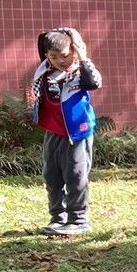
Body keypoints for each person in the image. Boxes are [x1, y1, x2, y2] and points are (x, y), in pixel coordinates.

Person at [30, 27, 102, 237]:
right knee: (51, 176)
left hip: (76, 133)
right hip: (53, 133)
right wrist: (51, 37)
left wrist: (83, 54)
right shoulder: (46, 71)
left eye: (65, 55)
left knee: (76, 176)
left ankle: (78, 219)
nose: (60, 61)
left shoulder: (80, 72)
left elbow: (94, 83)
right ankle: (58, 217)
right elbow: (43, 42)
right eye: (53, 56)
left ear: (74, 51)